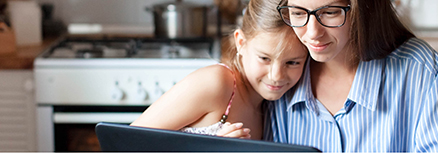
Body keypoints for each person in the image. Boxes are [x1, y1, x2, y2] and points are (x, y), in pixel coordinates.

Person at [263, 0, 438, 152]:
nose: (313, 33)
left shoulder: (418, 68)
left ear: (363, 9)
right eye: (298, 13)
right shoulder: (276, 73)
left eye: (331, 12)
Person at [130, 0, 308, 140]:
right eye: (264, 58)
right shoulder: (217, 82)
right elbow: (126, 143)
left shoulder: (271, 107)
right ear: (241, 43)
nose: (276, 76)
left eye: (292, 62)